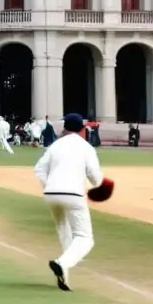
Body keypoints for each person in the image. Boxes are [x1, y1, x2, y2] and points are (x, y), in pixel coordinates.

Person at [33, 112, 104, 292]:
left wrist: (48, 185)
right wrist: (99, 184)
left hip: (51, 193)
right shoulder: (86, 147)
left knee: (65, 233)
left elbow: (39, 169)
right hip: (73, 194)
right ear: (82, 129)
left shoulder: (55, 146)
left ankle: (64, 273)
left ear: (64, 128)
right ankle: (61, 263)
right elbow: (95, 177)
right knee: (85, 238)